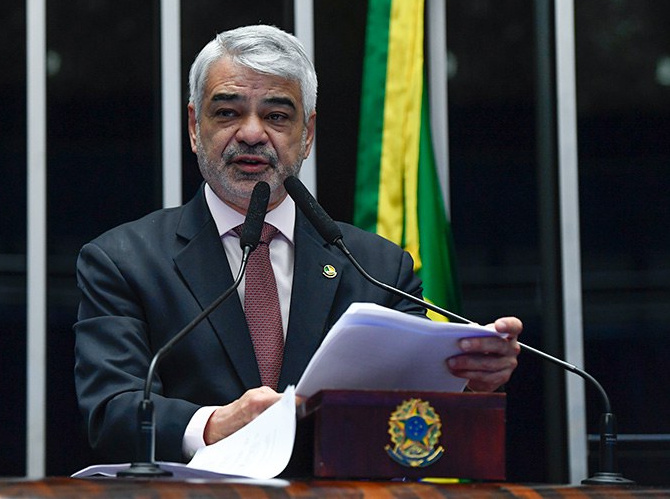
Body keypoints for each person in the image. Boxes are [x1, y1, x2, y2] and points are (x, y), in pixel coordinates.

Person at [74, 24, 522, 464]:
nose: (251, 134)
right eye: (228, 112)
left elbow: (410, 413)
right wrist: (212, 425)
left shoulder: (379, 267)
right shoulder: (123, 261)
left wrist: (467, 383)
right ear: (194, 126)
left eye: (276, 116)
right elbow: (112, 411)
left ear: (306, 134)